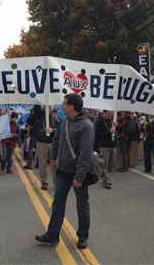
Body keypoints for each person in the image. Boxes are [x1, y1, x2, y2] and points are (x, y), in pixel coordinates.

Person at [35, 94, 94, 249]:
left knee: (82, 205)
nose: (62, 105)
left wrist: (79, 177)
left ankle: (82, 237)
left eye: (64, 103)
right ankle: (52, 235)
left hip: (77, 175)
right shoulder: (65, 121)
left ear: (72, 106)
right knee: (58, 204)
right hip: (62, 172)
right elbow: (57, 140)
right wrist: (53, 158)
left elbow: (86, 155)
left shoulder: (86, 126)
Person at [31, 105, 56, 190]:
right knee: (42, 163)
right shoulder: (39, 115)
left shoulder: (54, 117)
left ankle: (56, 181)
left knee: (55, 163)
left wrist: (53, 130)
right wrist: (42, 104)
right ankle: (43, 181)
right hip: (41, 141)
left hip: (52, 142)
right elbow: (36, 108)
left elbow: (59, 128)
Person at [94, 110, 117, 189]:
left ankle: (108, 177)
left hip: (113, 145)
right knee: (105, 164)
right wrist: (108, 132)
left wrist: (118, 126)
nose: (110, 115)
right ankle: (106, 180)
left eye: (111, 114)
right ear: (104, 112)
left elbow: (119, 131)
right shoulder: (99, 121)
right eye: (108, 113)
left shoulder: (113, 120)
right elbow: (97, 133)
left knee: (111, 164)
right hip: (104, 145)